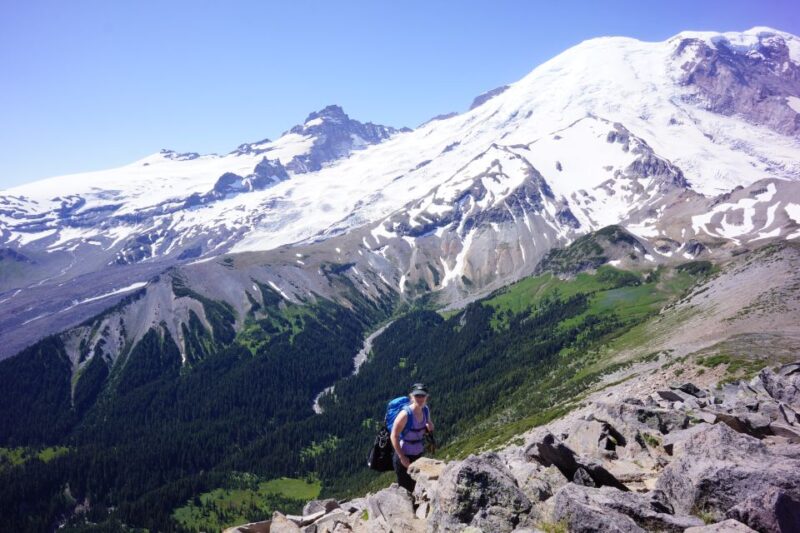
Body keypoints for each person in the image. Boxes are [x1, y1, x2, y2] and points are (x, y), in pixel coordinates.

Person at [390, 383, 434, 493]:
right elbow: (394, 436)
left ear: (426, 397)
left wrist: (430, 426)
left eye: (422, 396)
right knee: (406, 489)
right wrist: (402, 457)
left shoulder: (425, 410)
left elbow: (428, 424)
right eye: (417, 396)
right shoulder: (405, 414)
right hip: (404, 455)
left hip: (418, 454)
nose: (420, 398)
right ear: (411, 396)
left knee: (416, 486)